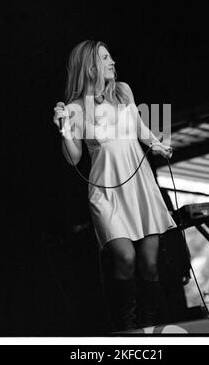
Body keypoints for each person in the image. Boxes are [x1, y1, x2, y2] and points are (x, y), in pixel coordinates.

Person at [53, 40, 176, 332]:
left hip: (138, 185)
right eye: (106, 58)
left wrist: (157, 144)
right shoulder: (74, 108)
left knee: (149, 263)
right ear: (91, 66)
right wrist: (64, 131)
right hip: (105, 191)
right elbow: (73, 159)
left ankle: (147, 330)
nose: (113, 62)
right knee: (125, 256)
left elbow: (139, 128)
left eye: (111, 58)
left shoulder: (123, 91)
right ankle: (127, 331)